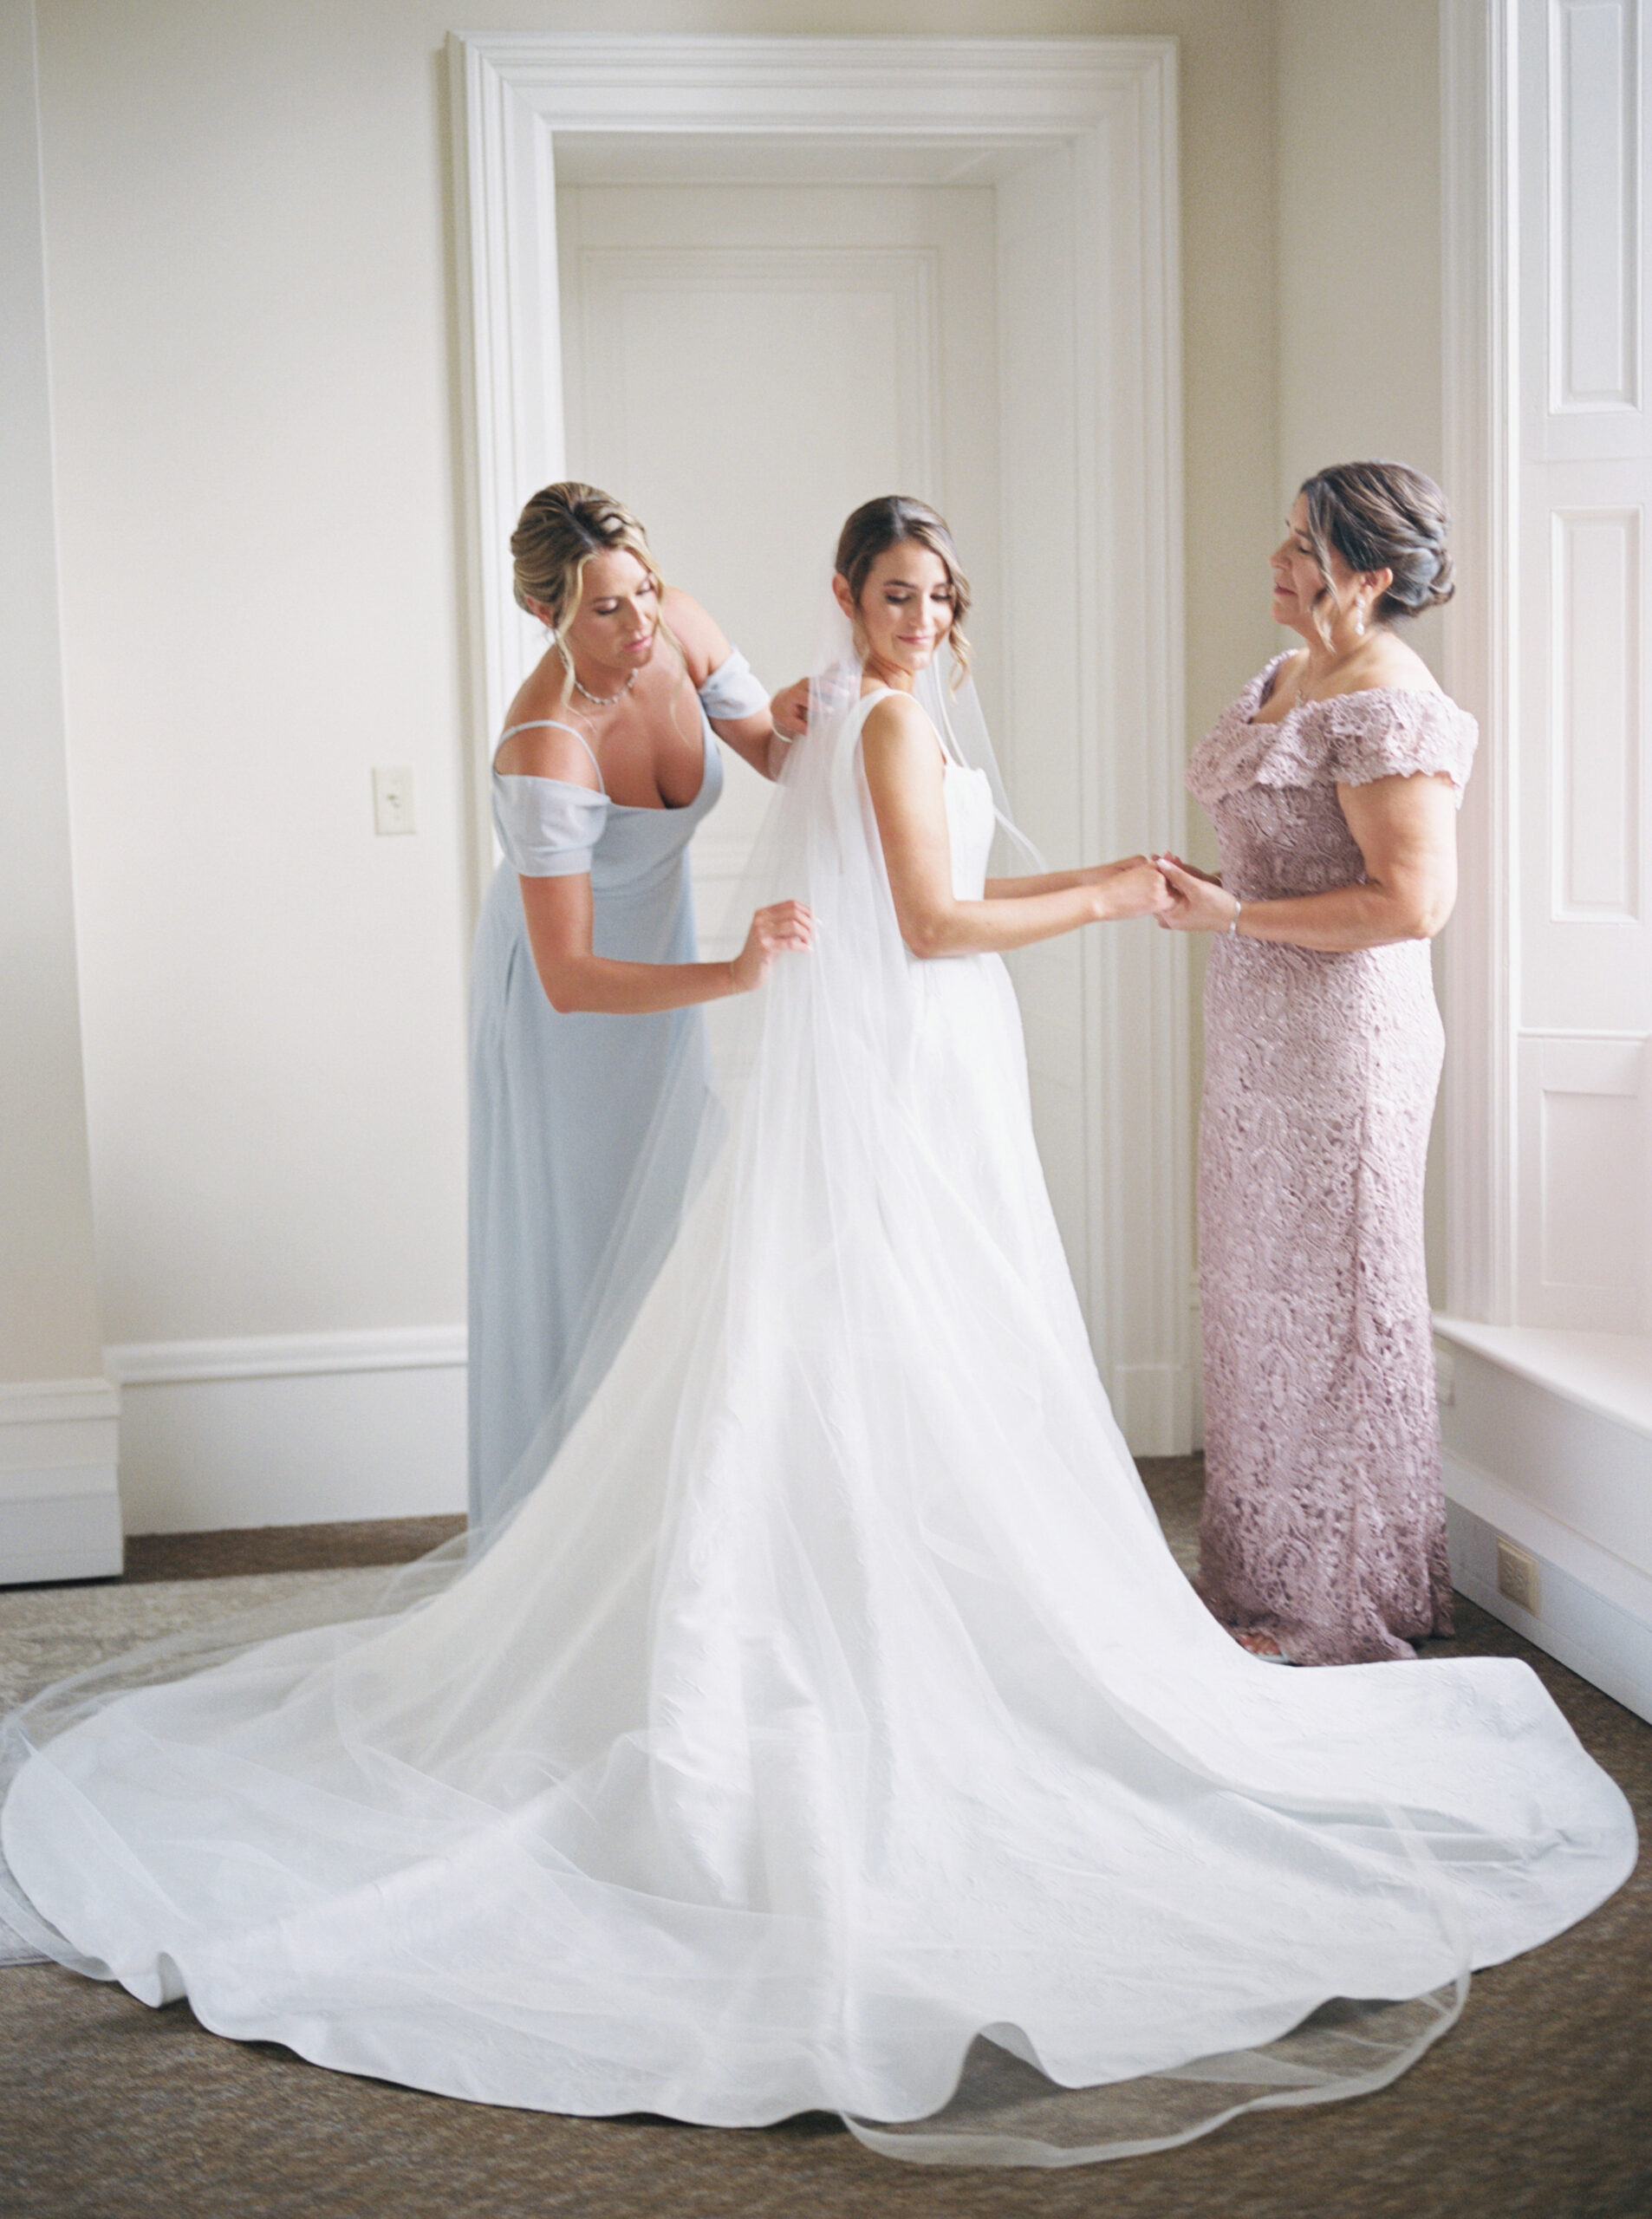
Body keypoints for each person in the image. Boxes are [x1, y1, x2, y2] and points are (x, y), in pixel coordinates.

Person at [0, 498, 1632, 2171]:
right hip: (906, 1053)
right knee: (892, 1337)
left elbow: (870, 838)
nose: (923, 618)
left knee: (908, 1348)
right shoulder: (867, 720)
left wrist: (1106, 875)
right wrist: (1099, 901)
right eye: (896, 594)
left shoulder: (840, 705)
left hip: (924, 1061)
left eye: (941, 595)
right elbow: (931, 924)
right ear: (846, 601)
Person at [1155, 460, 1474, 1665]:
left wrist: (1231, 918)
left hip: (1346, 1043)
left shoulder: (1389, 700)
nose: (1277, 560)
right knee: (1257, 1306)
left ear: (1372, 575)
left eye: (1303, 545)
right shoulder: (1287, 677)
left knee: (1335, 1306)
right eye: (1285, 534)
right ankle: (1260, 1575)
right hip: (1253, 1036)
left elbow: (1410, 902)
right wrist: (1214, 901)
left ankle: (1340, 1598)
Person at [470, 483, 810, 1528]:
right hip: (567, 1014)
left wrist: (845, 714)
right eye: (605, 610)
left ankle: (683, 1523)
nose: (640, 624)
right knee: (587, 1257)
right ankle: (569, 1540)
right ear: (545, 615)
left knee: (675, 1244)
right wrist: (735, 974)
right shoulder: (545, 744)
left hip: (661, 976)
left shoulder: (679, 624)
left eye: (643, 591)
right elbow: (568, 977)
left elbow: (769, 752)